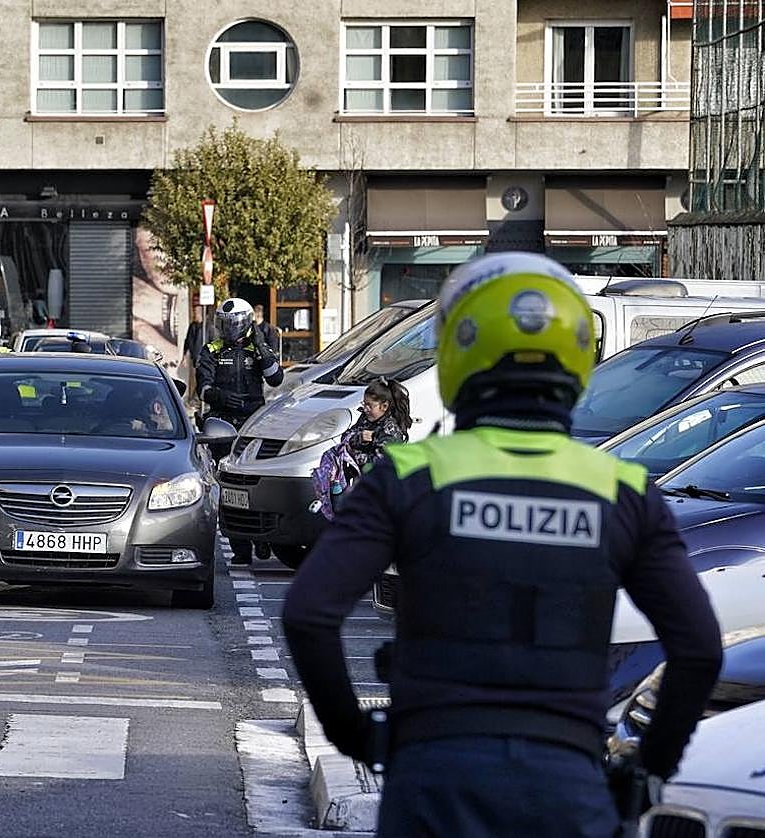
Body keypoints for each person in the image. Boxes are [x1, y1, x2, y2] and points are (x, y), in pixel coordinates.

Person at [281, 252, 724, 837]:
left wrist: (356, 736)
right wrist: (645, 771)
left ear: (459, 353)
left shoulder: (412, 475)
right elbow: (697, 649)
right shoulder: (622, 491)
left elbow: (309, 614)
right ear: (578, 358)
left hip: (434, 779)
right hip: (569, 784)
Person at [197, 296, 285, 566]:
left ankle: (261, 537)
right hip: (222, 422)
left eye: (233, 323)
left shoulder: (257, 349)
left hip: (252, 423)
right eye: (225, 323)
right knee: (227, 485)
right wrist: (221, 397)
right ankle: (240, 547)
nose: (229, 328)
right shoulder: (212, 349)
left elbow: (275, 378)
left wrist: (260, 345)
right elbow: (203, 387)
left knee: (256, 483)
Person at [311, 377, 411, 520]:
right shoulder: (365, 419)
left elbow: (380, 463)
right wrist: (359, 438)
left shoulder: (390, 431)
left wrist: (354, 456)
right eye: (364, 404)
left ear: (384, 406)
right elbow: (347, 437)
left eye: (370, 406)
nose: (366, 409)